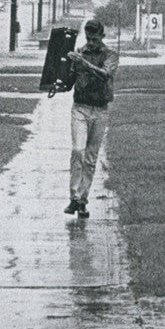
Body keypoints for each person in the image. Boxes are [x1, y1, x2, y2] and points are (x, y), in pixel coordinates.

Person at [58, 19, 118, 219]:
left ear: (102, 37)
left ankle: (83, 201)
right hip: (80, 108)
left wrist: (82, 63)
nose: (90, 42)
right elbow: (68, 82)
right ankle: (74, 197)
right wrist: (58, 75)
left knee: (91, 158)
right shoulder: (80, 53)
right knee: (78, 150)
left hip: (100, 110)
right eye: (88, 38)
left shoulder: (110, 55)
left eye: (94, 38)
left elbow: (105, 75)